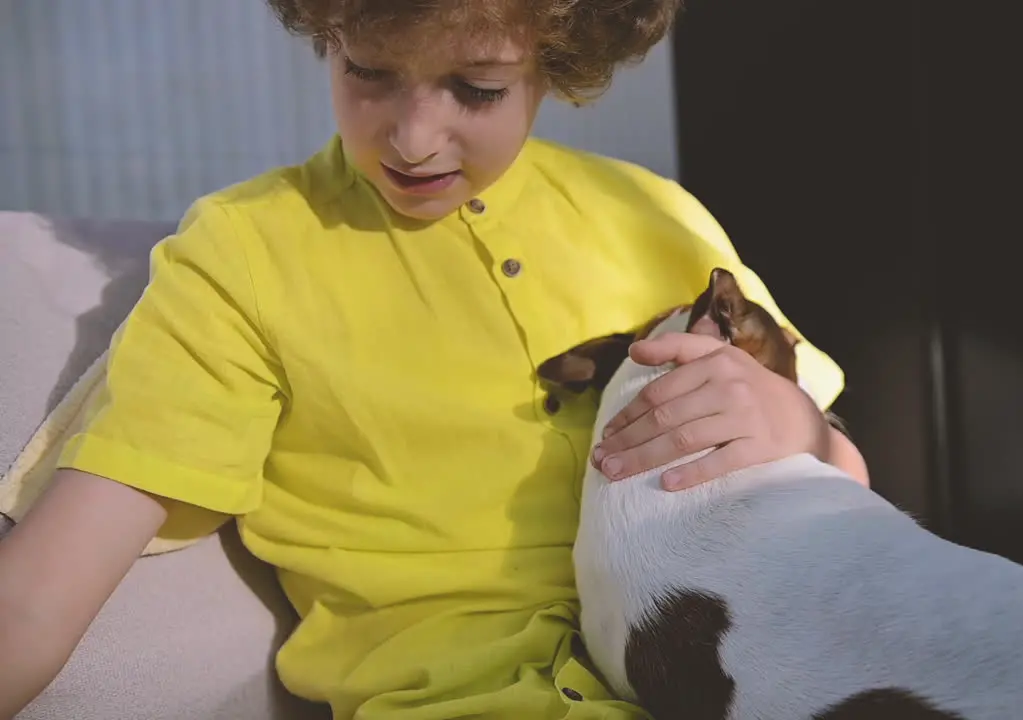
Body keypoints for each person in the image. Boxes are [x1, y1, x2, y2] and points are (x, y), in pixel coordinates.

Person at [0, 0, 869, 717]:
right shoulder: (245, 256)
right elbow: (36, 603)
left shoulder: (657, 217)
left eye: (475, 88)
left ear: (554, 57)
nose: (414, 139)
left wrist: (797, 428)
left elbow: (851, 502)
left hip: (761, 683)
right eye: (368, 72)